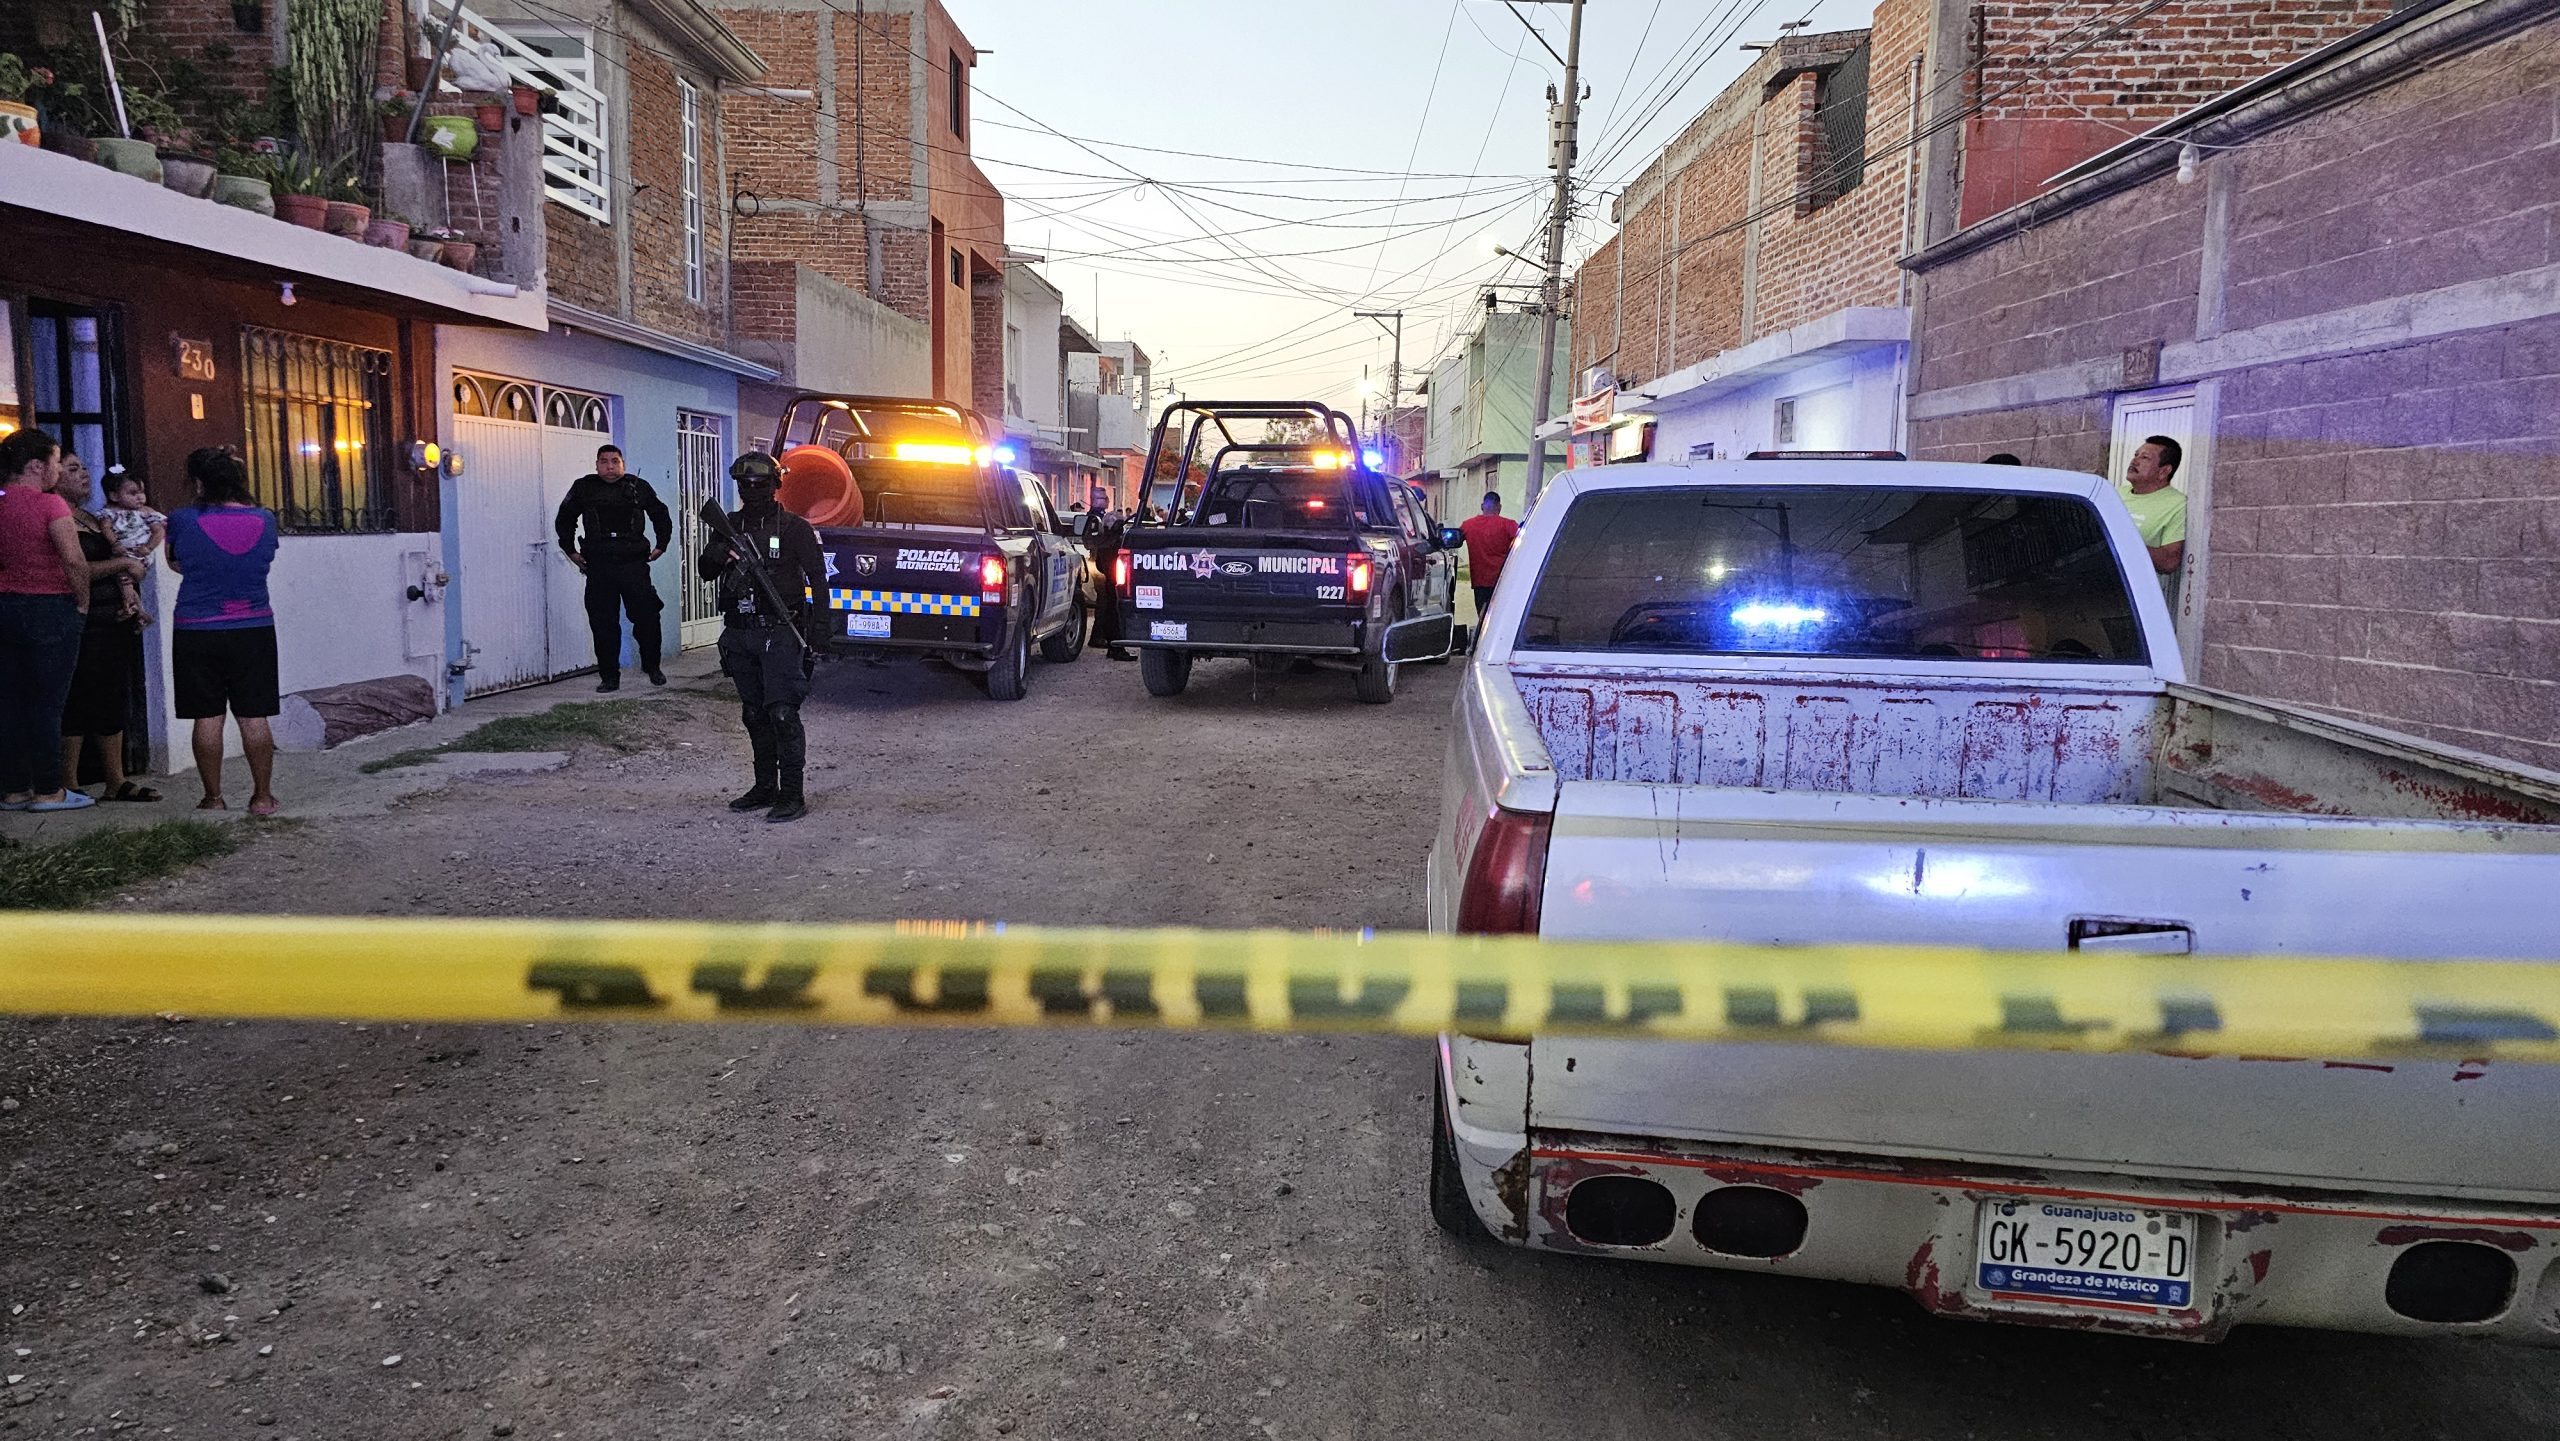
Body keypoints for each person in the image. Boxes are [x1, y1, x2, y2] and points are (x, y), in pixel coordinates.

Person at [702, 451, 826, 823]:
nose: (752, 491)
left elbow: (818, 580)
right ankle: (764, 787)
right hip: (740, 633)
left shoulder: (795, 528)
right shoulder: (729, 525)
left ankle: (792, 795)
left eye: (760, 484)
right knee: (754, 714)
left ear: (775, 485)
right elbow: (705, 571)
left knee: (783, 714)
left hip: (780, 630)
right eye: (746, 485)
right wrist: (719, 552)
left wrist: (822, 629)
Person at [165, 447, 282, 815]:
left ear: (199, 483)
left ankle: (213, 798)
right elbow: (264, 558)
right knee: (254, 716)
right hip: (254, 626)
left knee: (207, 716)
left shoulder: (181, 519)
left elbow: (175, 562)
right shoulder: (266, 519)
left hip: (196, 628)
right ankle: (262, 797)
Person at [0, 428, 97, 813]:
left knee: (10, 700)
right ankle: (48, 789)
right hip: (49, 605)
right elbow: (73, 559)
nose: (57, 470)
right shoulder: (50, 504)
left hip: (5, 605)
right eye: (56, 462)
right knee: (47, 702)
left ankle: (13, 788)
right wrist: (82, 603)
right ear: (36, 466)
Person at [57, 456, 157, 802]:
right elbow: (73, 569)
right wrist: (122, 563)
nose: (83, 474)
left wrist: (132, 597)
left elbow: (119, 564)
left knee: (111, 696)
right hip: (79, 617)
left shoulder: (93, 517)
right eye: (72, 469)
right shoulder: (57, 518)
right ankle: (69, 781)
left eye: (83, 468)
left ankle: (115, 779)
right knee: (76, 697)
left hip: (112, 618)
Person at [554, 442, 672, 691]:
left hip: (633, 565)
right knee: (603, 624)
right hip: (600, 567)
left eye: (615, 461)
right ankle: (609, 677)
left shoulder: (638, 486)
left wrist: (662, 544)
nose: (610, 467)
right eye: (604, 462)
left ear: (623, 464)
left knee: (648, 618)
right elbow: (565, 518)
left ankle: (652, 666)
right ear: (596, 465)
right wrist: (570, 550)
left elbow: (660, 514)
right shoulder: (584, 487)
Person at [2119, 434, 2188, 602]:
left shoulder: (2178, 504)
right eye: (2136, 455)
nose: (2134, 461)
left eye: (2145, 458)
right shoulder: (2115, 493)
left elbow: (2170, 561)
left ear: (2164, 471)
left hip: (2136, 601)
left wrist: (2126, 543)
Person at [1457, 489, 1521, 620]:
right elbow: (1523, 543)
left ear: (1482, 506)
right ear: (1499, 507)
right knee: (1500, 618)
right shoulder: (1509, 525)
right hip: (1502, 580)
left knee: (1482, 617)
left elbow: (1453, 540)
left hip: (1479, 581)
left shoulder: (1468, 525)